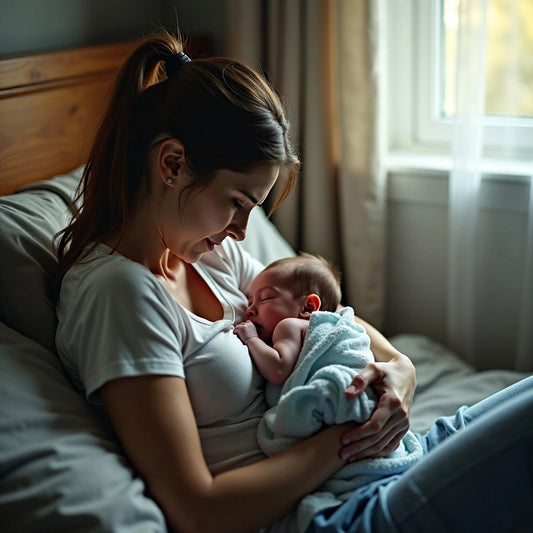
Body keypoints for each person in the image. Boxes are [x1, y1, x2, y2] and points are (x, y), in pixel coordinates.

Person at [54, 29, 532, 533]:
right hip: (331, 514)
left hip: (370, 469)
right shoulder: (119, 294)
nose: (242, 231)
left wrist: (401, 371)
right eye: (237, 203)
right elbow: (199, 510)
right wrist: (348, 440)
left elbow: (322, 318)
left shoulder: (208, 254)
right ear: (172, 164)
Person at [233, 253, 343, 387]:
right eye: (250, 302)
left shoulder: (289, 326)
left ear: (308, 307)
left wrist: (251, 339)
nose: (249, 310)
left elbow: (277, 370)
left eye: (265, 298)